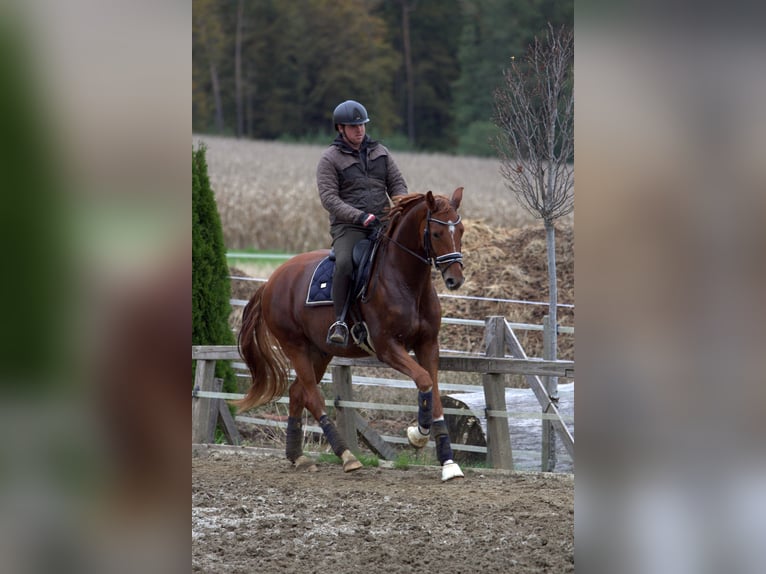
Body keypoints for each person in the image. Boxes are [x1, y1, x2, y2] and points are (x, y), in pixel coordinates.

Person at [317, 99, 408, 345]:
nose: (359, 130)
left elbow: (397, 184)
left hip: (383, 221)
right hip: (349, 226)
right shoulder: (330, 159)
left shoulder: (381, 152)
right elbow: (329, 198)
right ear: (340, 128)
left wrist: (400, 205)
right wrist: (358, 216)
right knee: (345, 263)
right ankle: (341, 321)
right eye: (353, 126)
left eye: (362, 125)